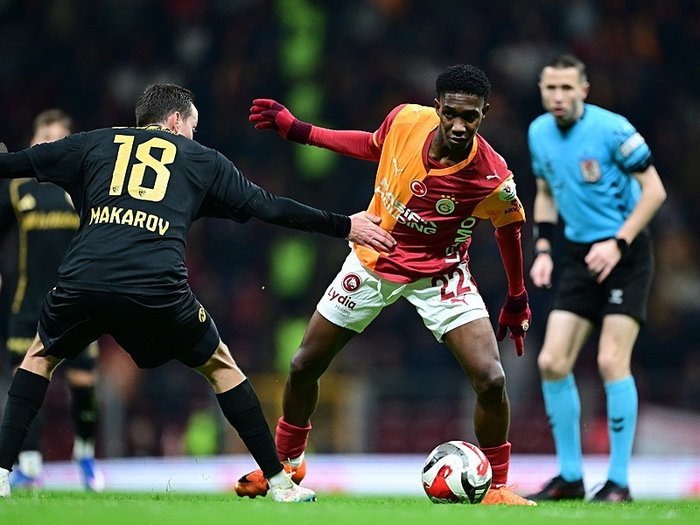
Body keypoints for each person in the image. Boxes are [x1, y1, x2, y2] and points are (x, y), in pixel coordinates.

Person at [0, 83, 396, 502]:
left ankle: (2, 474)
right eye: (193, 125)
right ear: (175, 121)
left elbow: (15, 163)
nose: (193, 134)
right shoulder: (201, 158)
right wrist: (343, 225)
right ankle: (280, 484)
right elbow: (269, 206)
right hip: (157, 287)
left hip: (85, 278)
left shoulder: (93, 142)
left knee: (39, 357)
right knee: (221, 366)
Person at [234, 64, 536, 506]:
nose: (459, 125)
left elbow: (509, 229)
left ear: (484, 113)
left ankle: (496, 488)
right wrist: (301, 131)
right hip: (374, 256)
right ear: (437, 106)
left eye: (470, 116)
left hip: (440, 272)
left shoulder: (492, 176)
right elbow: (372, 144)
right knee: (303, 365)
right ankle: (286, 465)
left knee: (491, 379)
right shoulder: (406, 119)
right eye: (451, 113)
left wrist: (517, 297)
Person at [525, 55, 666, 503]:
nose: (558, 96)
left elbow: (655, 191)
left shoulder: (614, 130)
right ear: (541, 90)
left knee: (610, 360)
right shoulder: (538, 133)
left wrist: (618, 243)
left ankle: (618, 481)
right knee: (551, 361)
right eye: (551, 88)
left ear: (584, 90)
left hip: (626, 255)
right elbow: (545, 191)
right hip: (578, 256)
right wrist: (543, 249)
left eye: (567, 88)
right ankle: (570, 477)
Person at [0, 109, 104, 492]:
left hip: (74, 306)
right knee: (25, 385)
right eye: (41, 137)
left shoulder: (83, 187)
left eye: (55, 138)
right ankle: (29, 464)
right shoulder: (16, 189)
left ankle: (85, 454)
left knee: (83, 385)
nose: (46, 144)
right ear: (31, 142)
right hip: (27, 306)